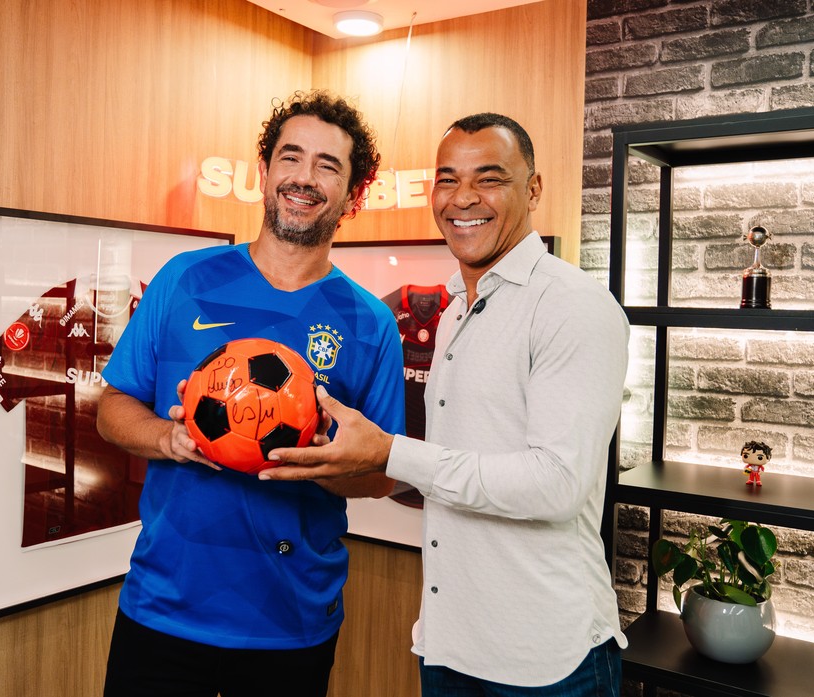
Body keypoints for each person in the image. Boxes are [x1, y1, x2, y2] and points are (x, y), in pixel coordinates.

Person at [260, 113, 631, 695]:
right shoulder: (459, 307)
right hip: (450, 646)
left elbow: (557, 484)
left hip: (547, 660)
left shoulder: (573, 305)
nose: (463, 198)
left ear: (533, 189)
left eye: (490, 178)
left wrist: (390, 453)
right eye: (448, 179)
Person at [96, 90, 405, 697]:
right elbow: (112, 409)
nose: (304, 177)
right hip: (163, 608)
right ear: (264, 171)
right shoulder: (184, 279)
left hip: (290, 623)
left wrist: (327, 465)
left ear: (353, 194)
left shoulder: (370, 323)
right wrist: (168, 438)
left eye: (328, 165)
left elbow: (382, 476)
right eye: (291, 157)